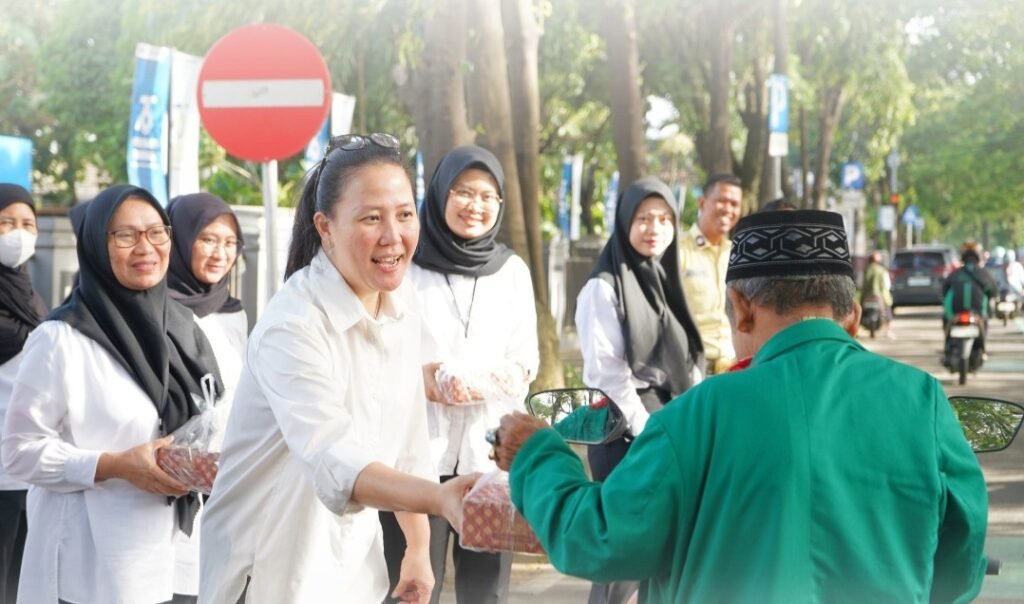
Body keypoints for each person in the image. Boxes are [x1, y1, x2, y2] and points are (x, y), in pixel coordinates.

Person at [489, 209, 988, 603]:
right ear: (853, 317)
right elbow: (962, 562)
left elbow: (600, 539)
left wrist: (538, 454)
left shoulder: (697, 414)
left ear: (742, 307)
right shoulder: (923, 402)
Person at [199, 134, 476, 604]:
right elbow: (334, 459)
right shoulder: (292, 326)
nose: (393, 236)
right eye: (371, 218)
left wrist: (418, 547)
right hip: (267, 576)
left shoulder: (400, 301)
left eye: (404, 214)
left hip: (351, 574)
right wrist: (441, 499)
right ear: (325, 227)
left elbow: (407, 440)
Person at [2, 184, 224, 604]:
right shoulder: (61, 339)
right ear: (95, 245)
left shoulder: (186, 329)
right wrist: (111, 465)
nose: (146, 247)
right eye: (125, 235)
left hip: (175, 559)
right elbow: (18, 452)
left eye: (156, 232)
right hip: (90, 568)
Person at [380, 146, 539, 604]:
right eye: (463, 192)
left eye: (488, 196)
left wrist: (476, 381)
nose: (476, 205)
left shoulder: (511, 272)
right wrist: (425, 380)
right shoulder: (405, 266)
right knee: (410, 587)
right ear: (439, 194)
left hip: (486, 460)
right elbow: (380, 352)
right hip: (414, 458)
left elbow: (525, 361)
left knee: (485, 593)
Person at [573, 176, 704, 604]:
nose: (655, 228)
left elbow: (687, 361)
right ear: (624, 221)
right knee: (624, 557)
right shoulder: (602, 287)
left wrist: (695, 418)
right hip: (623, 430)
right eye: (644, 218)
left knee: (662, 555)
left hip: (666, 424)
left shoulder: (665, 280)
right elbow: (607, 375)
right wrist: (652, 432)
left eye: (665, 219)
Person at [165, 192, 248, 602]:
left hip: (227, 475)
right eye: (208, 239)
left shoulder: (233, 312)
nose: (220, 253)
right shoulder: (158, 308)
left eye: (230, 243)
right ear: (180, 241)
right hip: (172, 481)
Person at [0, 184, 47, 604]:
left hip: (27, 469)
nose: (18, 233)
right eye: (6, 223)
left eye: (27, 224)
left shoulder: (30, 296)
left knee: (21, 581)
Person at [678, 173, 742, 375]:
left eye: (734, 204)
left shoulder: (738, 253)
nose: (728, 209)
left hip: (733, 364)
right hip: (691, 364)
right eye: (722, 201)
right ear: (702, 202)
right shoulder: (678, 250)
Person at [942, 242, 998, 366]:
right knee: (985, 322)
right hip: (978, 313)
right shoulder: (984, 274)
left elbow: (944, 291)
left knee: (946, 320)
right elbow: (993, 291)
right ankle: (983, 350)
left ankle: (946, 349)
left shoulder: (955, 274)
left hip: (955, 313)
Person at [861, 249, 894, 338]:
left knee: (861, 310)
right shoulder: (882, 270)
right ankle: (888, 331)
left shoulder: (866, 269)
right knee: (888, 311)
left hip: (867, 295)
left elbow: (862, 284)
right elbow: (886, 285)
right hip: (880, 296)